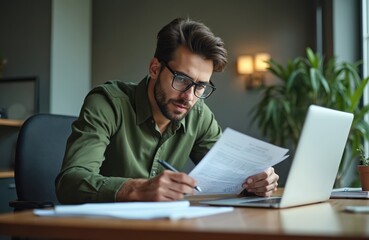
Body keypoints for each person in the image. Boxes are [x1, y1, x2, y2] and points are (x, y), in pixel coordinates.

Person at [55, 17, 279, 203]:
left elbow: (229, 178)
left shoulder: (198, 114)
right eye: (182, 79)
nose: (189, 97)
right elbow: (70, 182)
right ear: (155, 68)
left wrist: (255, 183)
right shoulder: (108, 103)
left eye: (200, 86)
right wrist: (136, 189)